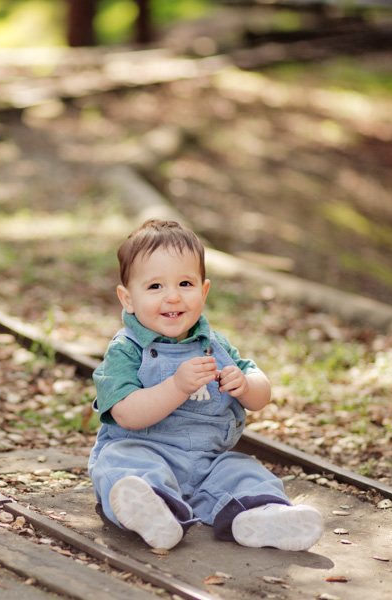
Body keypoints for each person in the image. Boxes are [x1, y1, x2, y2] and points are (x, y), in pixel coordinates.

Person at [88, 219, 322, 551]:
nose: (172, 297)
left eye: (185, 283)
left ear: (204, 291)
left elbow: (261, 392)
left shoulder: (215, 344)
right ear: (127, 299)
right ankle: (154, 512)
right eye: (155, 287)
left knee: (243, 471)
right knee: (119, 465)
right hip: (144, 452)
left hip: (207, 464)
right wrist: (176, 387)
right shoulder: (126, 350)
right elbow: (126, 414)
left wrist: (245, 385)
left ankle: (260, 517)